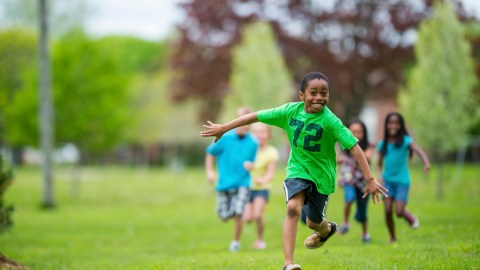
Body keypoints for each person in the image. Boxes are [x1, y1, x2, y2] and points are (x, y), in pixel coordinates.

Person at [201, 71, 388, 270]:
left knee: (313, 223)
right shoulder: (288, 112)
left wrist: (369, 178)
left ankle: (327, 229)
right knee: (292, 208)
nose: (319, 97)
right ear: (301, 95)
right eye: (313, 92)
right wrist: (224, 128)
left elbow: (355, 147)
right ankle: (288, 264)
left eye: (324, 93)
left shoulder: (331, 121)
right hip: (297, 170)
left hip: (322, 177)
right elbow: (254, 117)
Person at [204, 107, 259, 252]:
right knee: (224, 215)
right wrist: (210, 171)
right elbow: (210, 153)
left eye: (246, 122)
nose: (243, 125)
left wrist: (251, 166)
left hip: (243, 183)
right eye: (240, 121)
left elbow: (253, 163)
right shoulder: (225, 137)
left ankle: (235, 242)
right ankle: (224, 212)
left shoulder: (254, 142)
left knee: (238, 213)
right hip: (224, 184)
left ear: (250, 123)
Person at [376, 112, 431, 243]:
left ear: (401, 126)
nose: (393, 125)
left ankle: (407, 215)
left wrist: (426, 162)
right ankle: (393, 238)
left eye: (396, 123)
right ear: (386, 125)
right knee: (388, 210)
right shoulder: (382, 144)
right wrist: (379, 176)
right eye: (390, 123)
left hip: (402, 181)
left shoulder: (406, 141)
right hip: (387, 182)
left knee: (399, 212)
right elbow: (378, 165)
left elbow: (418, 151)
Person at [243, 122, 279, 250]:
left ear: (268, 135)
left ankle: (260, 240)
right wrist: (246, 166)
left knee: (258, 215)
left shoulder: (271, 152)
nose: (259, 135)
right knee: (248, 218)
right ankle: (253, 232)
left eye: (262, 132)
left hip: (262, 188)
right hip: (246, 187)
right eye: (256, 132)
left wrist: (263, 180)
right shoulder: (247, 149)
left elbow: (270, 174)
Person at [337, 119, 373, 243]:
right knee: (349, 197)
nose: (356, 135)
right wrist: (339, 159)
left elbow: (368, 157)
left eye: (359, 132)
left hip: (363, 182)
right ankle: (346, 223)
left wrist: (358, 153)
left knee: (362, 211)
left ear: (364, 133)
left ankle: (365, 233)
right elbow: (336, 158)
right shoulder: (344, 145)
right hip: (349, 178)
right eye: (353, 132)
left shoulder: (368, 146)